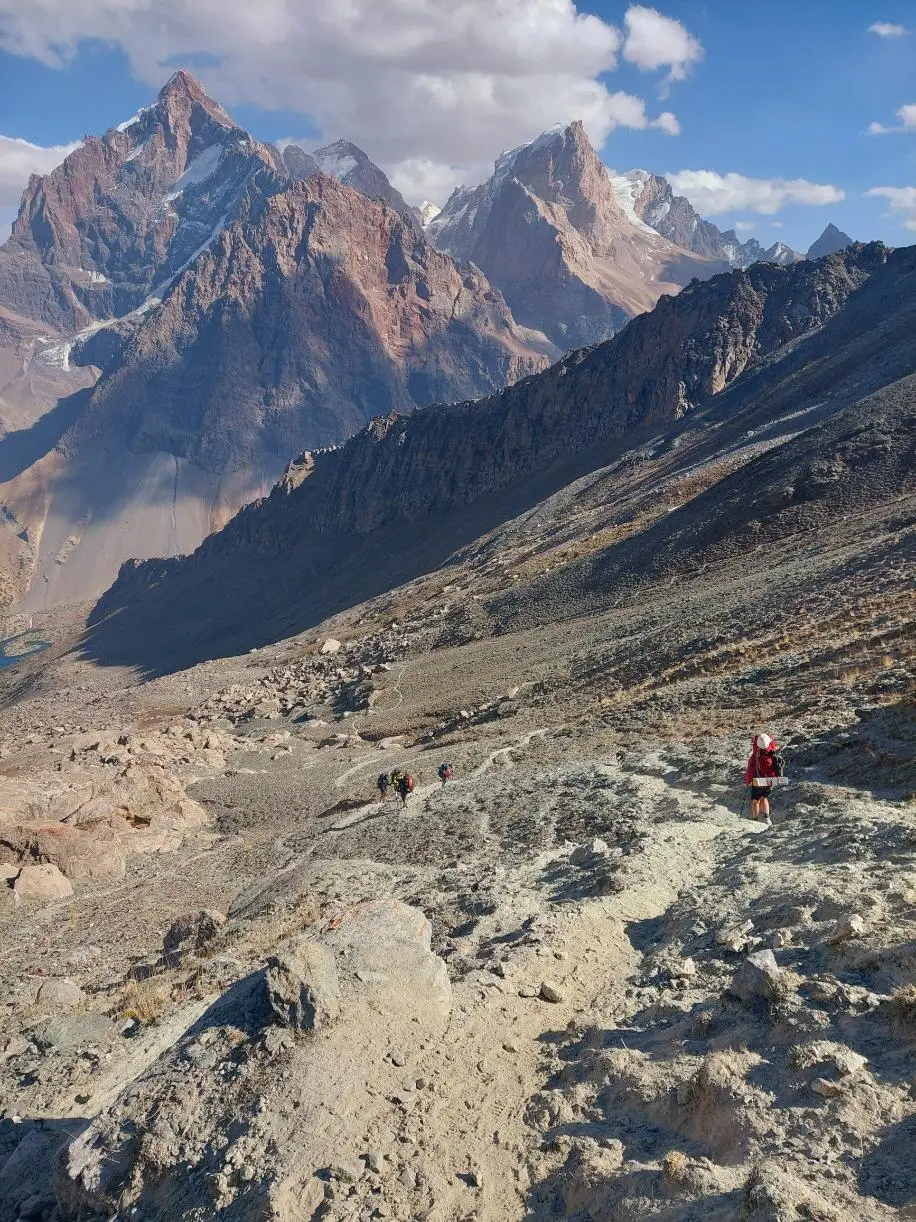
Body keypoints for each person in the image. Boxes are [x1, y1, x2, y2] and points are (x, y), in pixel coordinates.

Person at [744, 733, 778, 824]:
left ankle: (755, 819)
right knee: (764, 798)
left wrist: (748, 781)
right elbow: (771, 742)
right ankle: (767, 819)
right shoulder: (772, 751)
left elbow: (750, 770)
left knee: (756, 800)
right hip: (771, 780)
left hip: (759, 781)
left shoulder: (755, 756)